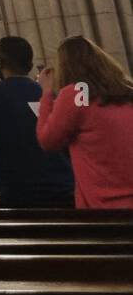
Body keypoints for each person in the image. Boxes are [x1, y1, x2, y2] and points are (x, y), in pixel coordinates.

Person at [0, 36, 74, 206]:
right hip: (65, 189)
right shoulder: (50, 93)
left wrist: (0, 187)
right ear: (28, 63)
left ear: (1, 62)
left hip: (20, 195)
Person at [37, 36, 133, 208]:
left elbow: (48, 140)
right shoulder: (125, 91)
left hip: (106, 206)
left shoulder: (76, 93)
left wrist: (46, 93)